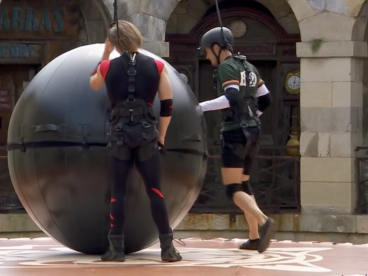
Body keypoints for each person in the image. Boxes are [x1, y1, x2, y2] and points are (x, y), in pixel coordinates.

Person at [89, 20, 181, 262]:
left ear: (114, 42)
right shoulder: (158, 66)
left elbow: (93, 83)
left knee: (117, 192)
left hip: (119, 137)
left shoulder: (107, 67)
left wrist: (105, 53)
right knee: (155, 191)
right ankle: (167, 248)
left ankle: (116, 249)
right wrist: (160, 136)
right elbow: (168, 105)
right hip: (147, 137)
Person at [197, 26, 274, 253]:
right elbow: (266, 100)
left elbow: (230, 97)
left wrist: (199, 108)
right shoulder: (249, 68)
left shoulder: (226, 67)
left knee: (233, 189)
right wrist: (251, 117)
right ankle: (254, 237)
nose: (206, 55)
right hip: (254, 132)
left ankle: (264, 221)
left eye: (208, 51)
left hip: (234, 133)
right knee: (243, 184)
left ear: (218, 48)